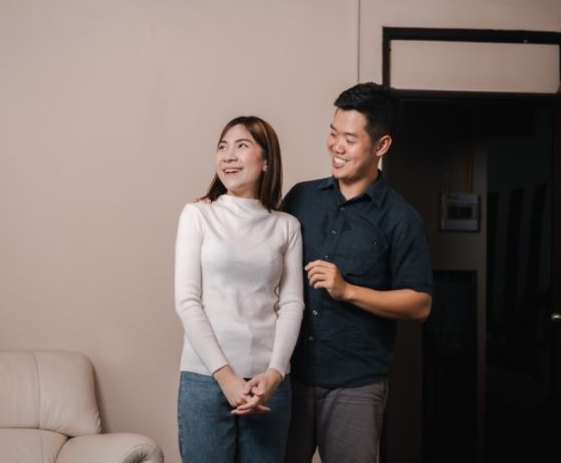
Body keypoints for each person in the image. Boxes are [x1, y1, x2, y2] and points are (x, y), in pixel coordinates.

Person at [282, 82, 433, 463]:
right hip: (289, 376)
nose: (336, 147)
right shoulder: (299, 197)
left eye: (349, 139)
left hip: (356, 386)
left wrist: (348, 290)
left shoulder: (402, 219)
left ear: (381, 146)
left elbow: (419, 304)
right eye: (333, 134)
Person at [174, 115, 305, 463]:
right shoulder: (197, 215)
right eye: (222, 147)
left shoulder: (286, 226)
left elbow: (292, 304)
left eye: (242, 146)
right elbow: (187, 302)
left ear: (266, 161)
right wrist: (226, 378)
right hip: (205, 379)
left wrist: (275, 374)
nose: (228, 156)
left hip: (268, 385)